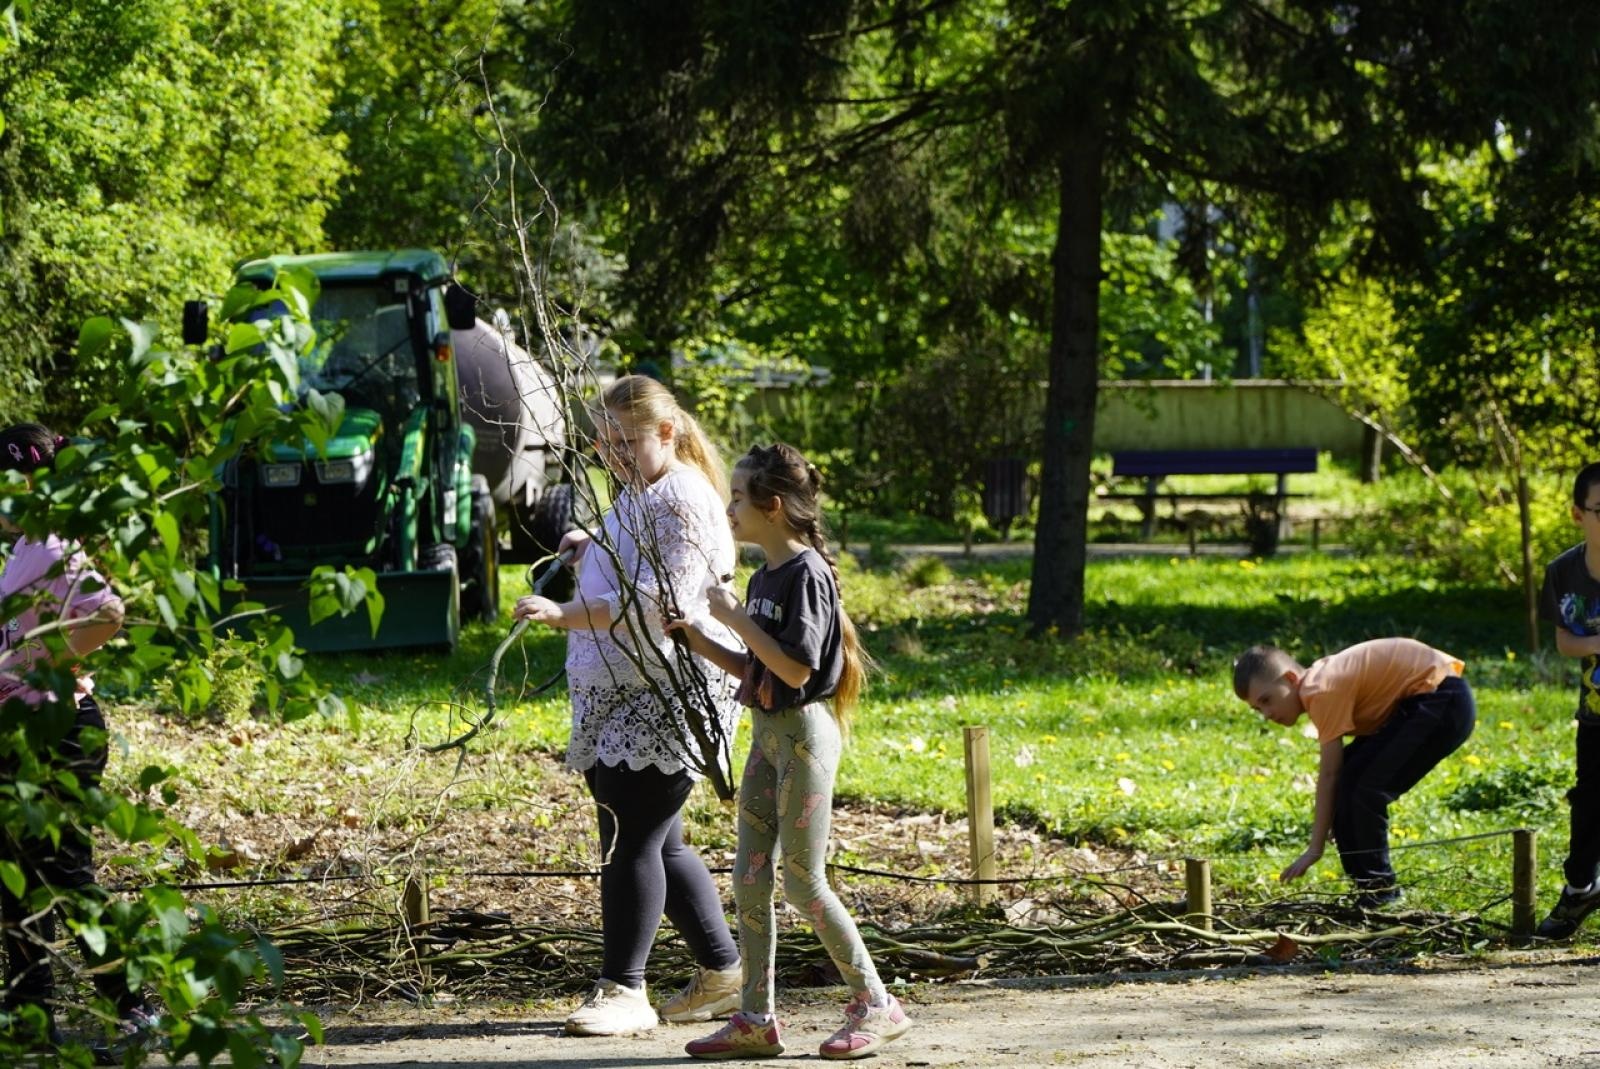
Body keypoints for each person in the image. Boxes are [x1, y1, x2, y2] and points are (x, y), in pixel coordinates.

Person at [666, 443, 912, 1062]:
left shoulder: (806, 575)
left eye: (739, 498)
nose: (728, 510)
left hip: (803, 737)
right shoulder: (765, 576)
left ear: (772, 507)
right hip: (767, 736)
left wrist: (734, 617)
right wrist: (697, 637)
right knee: (749, 880)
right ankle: (755, 1018)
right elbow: (758, 669)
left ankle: (876, 1004)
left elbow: (797, 671)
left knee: (802, 883)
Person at [512, 377, 743, 1036]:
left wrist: (562, 613)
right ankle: (725, 972)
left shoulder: (681, 500)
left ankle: (624, 987)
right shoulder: (644, 491)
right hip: (625, 690)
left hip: (666, 690)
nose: (613, 453)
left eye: (627, 440)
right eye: (604, 442)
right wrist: (592, 546)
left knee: (630, 834)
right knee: (657, 838)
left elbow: (650, 606)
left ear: (666, 433)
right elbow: (629, 560)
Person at [0, 423, 156, 1062]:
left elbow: (107, 615)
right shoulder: (18, 549)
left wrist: (37, 660)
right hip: (18, 733)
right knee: (12, 880)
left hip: (60, 731)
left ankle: (135, 1008)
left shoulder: (52, 544)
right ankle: (31, 1014)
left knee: (62, 875)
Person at [1232, 637, 1476, 905]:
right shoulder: (1319, 684)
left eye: (1267, 700)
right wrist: (1338, 817)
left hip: (1443, 699)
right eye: (1258, 708)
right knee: (1351, 781)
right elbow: (1338, 778)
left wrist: (1315, 849)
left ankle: (1380, 892)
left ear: (1290, 678)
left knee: (1364, 789)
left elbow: (1329, 775)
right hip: (1424, 700)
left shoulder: (1320, 690)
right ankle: (1367, 891)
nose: (1266, 714)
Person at [1533, 461, 1600, 938]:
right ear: (1578, 514)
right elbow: (1564, 641)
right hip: (1595, 714)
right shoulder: (1564, 572)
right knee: (1588, 803)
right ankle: (1580, 890)